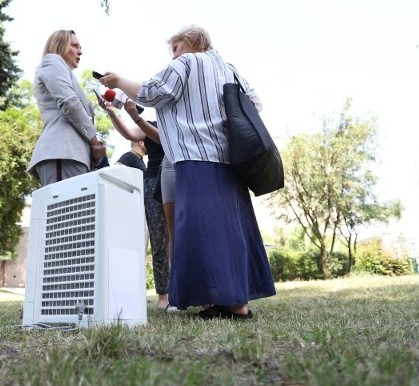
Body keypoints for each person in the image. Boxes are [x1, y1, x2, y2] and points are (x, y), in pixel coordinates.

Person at [100, 26, 276, 319]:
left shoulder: (188, 62)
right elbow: (255, 103)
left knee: (204, 229)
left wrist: (118, 80)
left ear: (191, 42)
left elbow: (152, 92)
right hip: (230, 158)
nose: (173, 55)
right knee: (231, 229)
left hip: (196, 154)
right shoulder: (229, 68)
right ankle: (235, 300)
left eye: (175, 48)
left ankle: (230, 304)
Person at [100, 99, 176, 311]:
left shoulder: (183, 122)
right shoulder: (150, 124)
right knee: (160, 239)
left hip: (181, 178)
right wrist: (113, 113)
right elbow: (130, 134)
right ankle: (164, 297)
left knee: (182, 237)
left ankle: (187, 291)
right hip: (155, 183)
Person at [28, 30, 106, 187]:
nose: (80, 51)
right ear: (60, 46)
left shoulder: (64, 72)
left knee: (76, 210)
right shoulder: (52, 61)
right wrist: (95, 143)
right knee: (66, 209)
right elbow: (70, 103)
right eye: (75, 45)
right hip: (63, 152)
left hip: (72, 156)